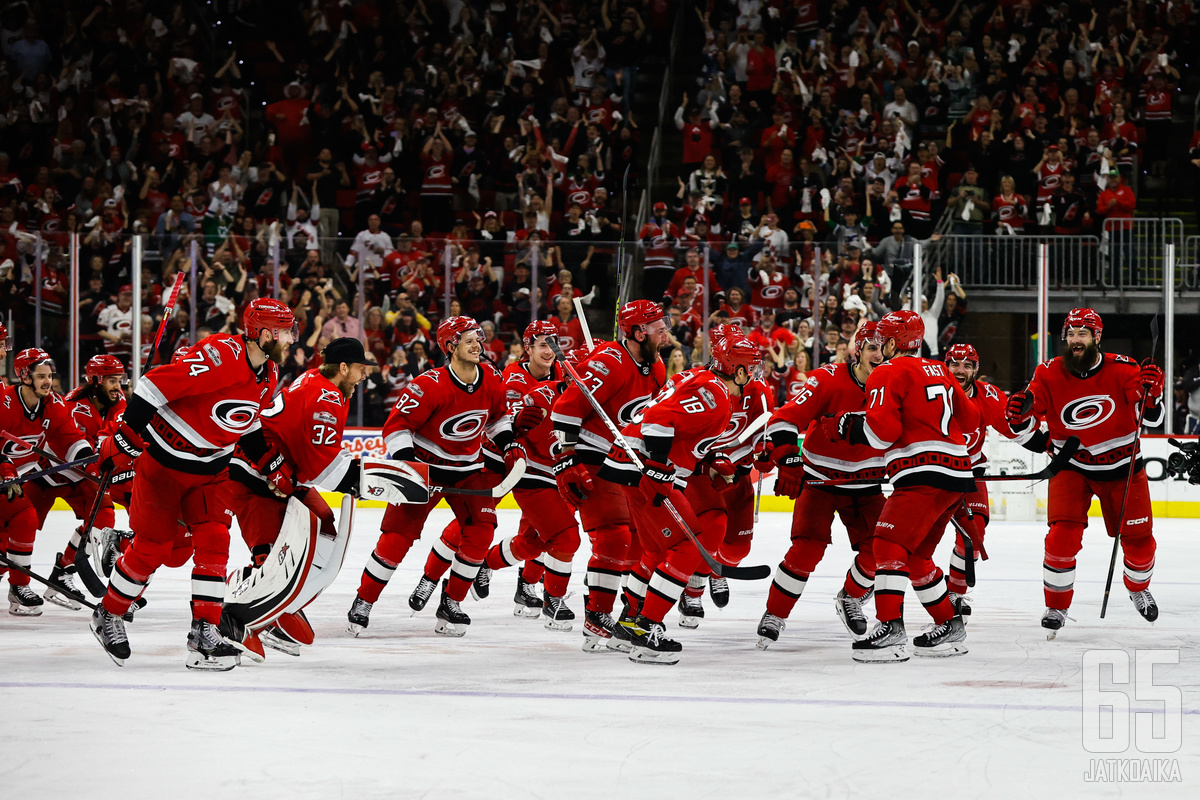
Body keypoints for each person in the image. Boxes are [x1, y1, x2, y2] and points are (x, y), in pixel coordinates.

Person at [89, 298, 296, 671]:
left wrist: (269, 463)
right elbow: (152, 386)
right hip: (164, 464)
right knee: (153, 548)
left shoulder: (269, 372)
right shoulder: (221, 355)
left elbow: (245, 422)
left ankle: (204, 631)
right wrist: (127, 434)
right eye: (285, 332)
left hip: (213, 469)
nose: (291, 339)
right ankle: (108, 612)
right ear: (265, 333)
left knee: (216, 542)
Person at [594, 333, 763, 663]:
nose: (753, 377)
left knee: (656, 550)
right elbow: (658, 419)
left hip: (631, 465)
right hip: (645, 469)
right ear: (738, 371)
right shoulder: (716, 394)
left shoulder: (694, 376)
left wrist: (711, 459)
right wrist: (657, 462)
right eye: (751, 370)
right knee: (686, 547)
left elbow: (657, 417)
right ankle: (647, 630)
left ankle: (628, 624)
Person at [826, 310, 978, 662]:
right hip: (957, 474)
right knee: (917, 556)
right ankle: (949, 626)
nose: (881, 349)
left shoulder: (887, 371)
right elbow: (970, 420)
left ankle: (890, 628)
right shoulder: (941, 369)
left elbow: (883, 434)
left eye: (884, 341)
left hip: (921, 473)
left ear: (894, 342)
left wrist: (851, 427)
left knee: (886, 544)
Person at [347, 317, 514, 637]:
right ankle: (363, 601)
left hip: (468, 470)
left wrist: (509, 444)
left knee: (481, 532)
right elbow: (396, 427)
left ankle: (451, 602)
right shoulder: (428, 385)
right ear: (450, 346)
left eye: (478, 337)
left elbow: (497, 418)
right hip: (427, 468)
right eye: (468, 339)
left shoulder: (491, 376)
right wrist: (409, 466)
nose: (477, 344)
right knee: (397, 538)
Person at [1004, 309, 1164, 634]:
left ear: (1097, 337)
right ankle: (1056, 606)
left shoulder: (1125, 368)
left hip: (1123, 467)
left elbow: (1152, 420)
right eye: (1072, 333)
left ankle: (1137, 588)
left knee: (1141, 543)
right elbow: (1026, 420)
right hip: (1073, 467)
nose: (1076, 340)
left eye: (1084, 333)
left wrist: (1154, 397)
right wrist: (1017, 416)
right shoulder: (1047, 373)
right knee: (1060, 540)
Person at [225, 337, 369, 656]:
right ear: (343, 368)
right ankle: (235, 618)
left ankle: (286, 604)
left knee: (325, 526)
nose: (364, 375)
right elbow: (322, 464)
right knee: (268, 557)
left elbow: (311, 449)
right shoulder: (325, 397)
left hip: (286, 474)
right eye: (360, 368)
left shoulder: (319, 382)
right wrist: (361, 478)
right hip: (253, 474)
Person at [754, 323, 887, 648]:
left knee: (881, 549)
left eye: (884, 349)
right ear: (858, 351)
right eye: (872, 348)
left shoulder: (895, 382)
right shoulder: (827, 378)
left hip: (867, 483)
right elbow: (784, 418)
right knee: (806, 550)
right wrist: (787, 458)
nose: (879, 355)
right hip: (821, 481)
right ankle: (775, 614)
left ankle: (851, 597)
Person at [550, 300, 670, 652]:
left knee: (638, 540)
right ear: (636, 332)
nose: (664, 332)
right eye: (656, 327)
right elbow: (566, 409)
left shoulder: (657, 365)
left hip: (623, 458)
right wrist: (567, 459)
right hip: (589, 452)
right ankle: (596, 615)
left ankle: (624, 619)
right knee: (614, 535)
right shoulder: (609, 363)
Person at [474, 321, 580, 628]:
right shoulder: (513, 377)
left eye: (553, 344)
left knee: (533, 542)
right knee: (561, 537)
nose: (549, 351)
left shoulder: (564, 372)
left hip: (559, 466)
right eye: (542, 344)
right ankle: (552, 600)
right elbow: (509, 422)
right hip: (528, 468)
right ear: (527, 348)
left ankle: (506, 576)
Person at [676, 324, 774, 623]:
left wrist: (765, 449)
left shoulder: (756, 388)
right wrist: (710, 460)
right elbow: (680, 430)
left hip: (739, 473)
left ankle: (716, 568)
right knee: (711, 530)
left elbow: (763, 426)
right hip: (701, 473)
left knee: (736, 549)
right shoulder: (691, 382)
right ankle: (693, 591)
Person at [0, 349, 95, 615]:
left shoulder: (53, 404)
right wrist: (4, 469)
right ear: (24, 376)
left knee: (22, 520)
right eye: (41, 376)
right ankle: (17, 586)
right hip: (5, 475)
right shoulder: (3, 402)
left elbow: (68, 437)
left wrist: (88, 458)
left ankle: (18, 588)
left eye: (50, 376)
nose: (47, 381)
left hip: (17, 478)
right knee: (19, 520)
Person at [31, 356, 129, 610]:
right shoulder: (73, 407)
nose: (118, 387)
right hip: (47, 476)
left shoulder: (119, 402)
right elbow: (74, 448)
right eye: (111, 380)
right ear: (95, 382)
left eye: (120, 380)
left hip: (82, 479)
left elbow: (115, 438)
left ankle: (62, 573)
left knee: (104, 516)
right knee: (16, 530)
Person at [942, 344, 1026, 613]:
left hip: (971, 473)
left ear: (976, 370)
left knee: (973, 535)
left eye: (967, 365)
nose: (960, 370)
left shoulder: (987, 395)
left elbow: (1013, 428)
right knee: (912, 540)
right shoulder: (931, 392)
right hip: (933, 473)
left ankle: (954, 593)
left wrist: (1048, 444)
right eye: (955, 364)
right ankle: (876, 588)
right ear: (946, 366)